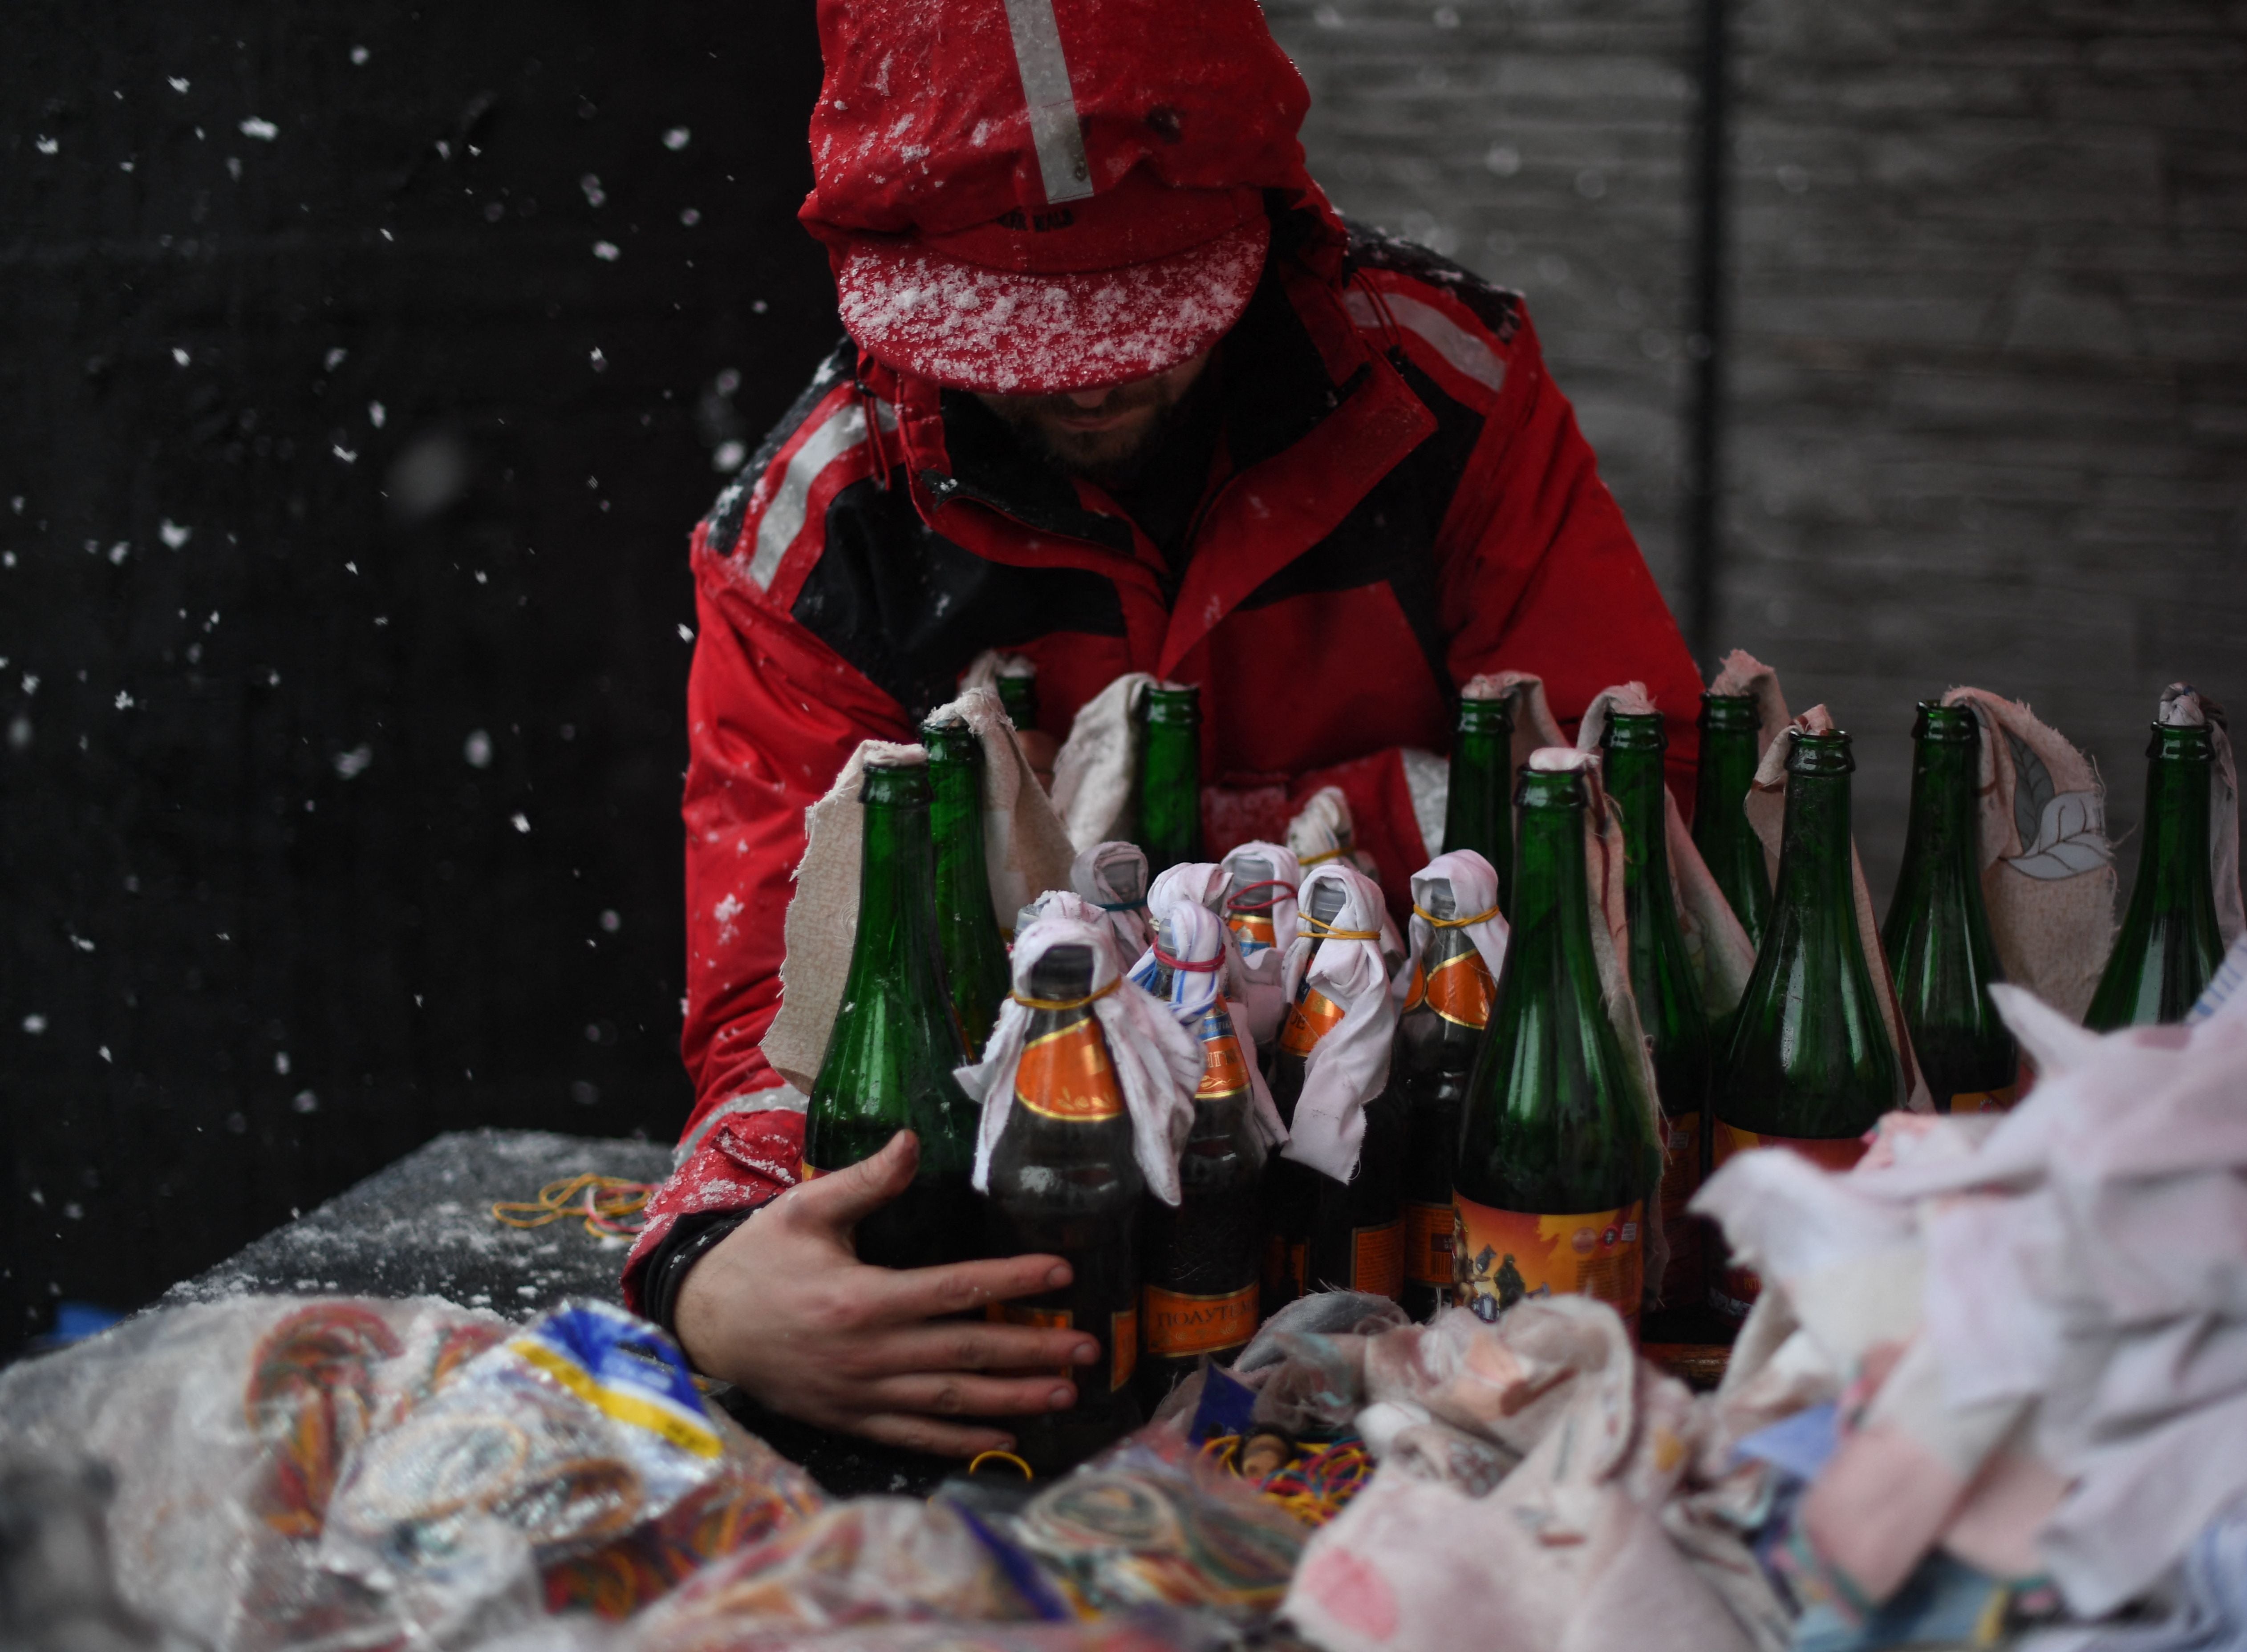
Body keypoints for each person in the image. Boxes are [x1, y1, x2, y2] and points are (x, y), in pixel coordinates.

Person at [623, 0, 1706, 1459]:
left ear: (1270, 220)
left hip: (1457, 1239)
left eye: (1148, 304)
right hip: (1056, 1291)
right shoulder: (819, 531)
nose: (1092, 376)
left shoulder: (1443, 390)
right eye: (1017, 327)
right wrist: (712, 1264)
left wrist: (1184, 862)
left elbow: (1640, 804)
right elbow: (781, 1003)